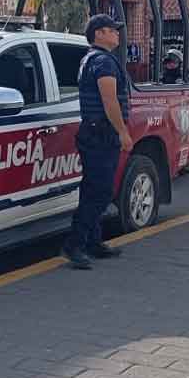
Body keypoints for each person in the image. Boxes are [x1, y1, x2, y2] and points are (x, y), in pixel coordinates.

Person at [62, 14, 130, 270]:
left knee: (93, 188)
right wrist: (122, 132)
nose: (117, 34)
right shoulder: (103, 61)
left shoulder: (93, 59)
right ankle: (75, 244)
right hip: (101, 134)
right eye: (113, 30)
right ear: (99, 34)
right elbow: (109, 101)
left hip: (94, 132)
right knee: (101, 191)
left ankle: (93, 241)